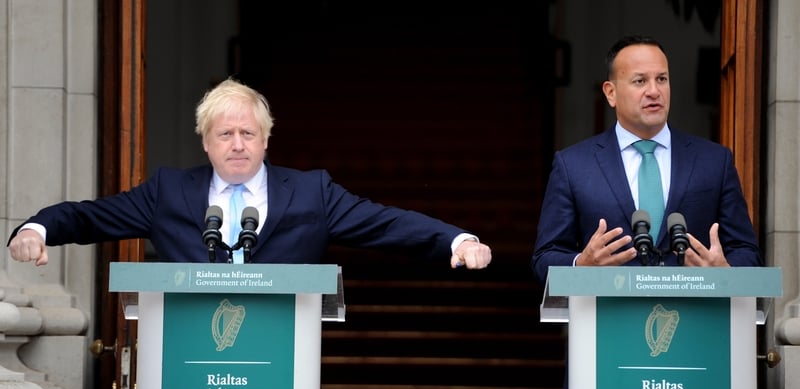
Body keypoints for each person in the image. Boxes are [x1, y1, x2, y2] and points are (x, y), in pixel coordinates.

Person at [7, 78, 492, 271]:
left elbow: (386, 223)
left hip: (283, 362)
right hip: (194, 367)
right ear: (204, 140)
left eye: (247, 132)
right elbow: (90, 216)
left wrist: (458, 241)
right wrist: (36, 227)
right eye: (224, 134)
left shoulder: (311, 191)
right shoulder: (169, 192)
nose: (237, 144)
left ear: (266, 138)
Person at [531, 35, 761, 284]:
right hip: (606, 317)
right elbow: (544, 259)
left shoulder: (715, 161)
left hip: (695, 316)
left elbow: (748, 252)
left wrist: (726, 272)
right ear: (611, 93)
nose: (654, 91)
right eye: (640, 81)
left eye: (662, 79)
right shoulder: (573, 165)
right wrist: (581, 265)